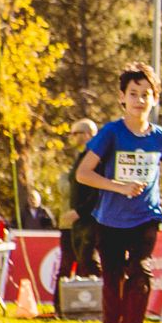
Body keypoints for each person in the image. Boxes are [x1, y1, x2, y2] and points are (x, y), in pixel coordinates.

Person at [75, 65, 162, 323]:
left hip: (145, 216)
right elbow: (84, 174)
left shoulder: (160, 137)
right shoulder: (111, 133)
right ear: (122, 98)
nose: (139, 100)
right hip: (109, 222)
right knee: (113, 287)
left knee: (141, 272)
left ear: (155, 99)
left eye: (145, 94)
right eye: (133, 94)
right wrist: (118, 187)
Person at [61, 117, 102, 279]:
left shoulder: (96, 157)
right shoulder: (81, 156)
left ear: (87, 134)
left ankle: (98, 301)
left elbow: (97, 190)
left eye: (75, 133)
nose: (72, 137)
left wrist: (80, 211)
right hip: (80, 222)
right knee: (82, 262)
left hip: (91, 220)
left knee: (90, 261)